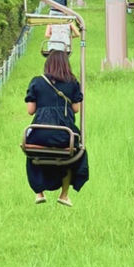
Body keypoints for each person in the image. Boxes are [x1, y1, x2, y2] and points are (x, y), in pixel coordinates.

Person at [24, 50, 89, 207]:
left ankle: (39, 193)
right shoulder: (72, 83)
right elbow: (76, 109)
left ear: (48, 64)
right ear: (66, 65)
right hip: (64, 136)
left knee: (33, 155)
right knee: (74, 154)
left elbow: (30, 110)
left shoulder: (37, 82)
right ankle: (64, 194)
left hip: (39, 133)